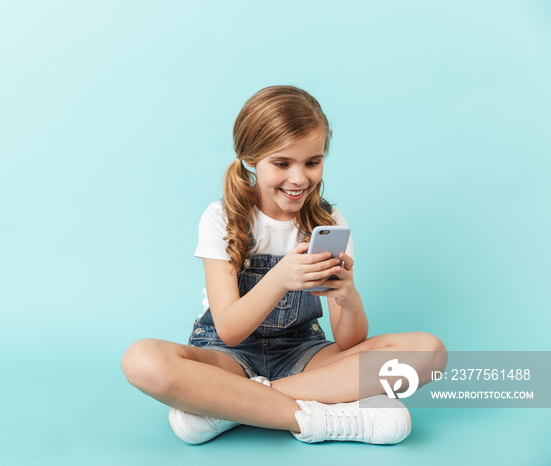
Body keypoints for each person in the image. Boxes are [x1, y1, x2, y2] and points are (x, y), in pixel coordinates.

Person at [121, 85, 446, 445]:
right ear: (250, 159)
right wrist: (279, 278)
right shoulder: (223, 219)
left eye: (312, 162)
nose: (299, 179)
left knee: (428, 352)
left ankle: (232, 405)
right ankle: (318, 417)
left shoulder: (330, 222)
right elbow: (229, 330)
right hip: (228, 355)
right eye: (281, 163)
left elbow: (349, 340)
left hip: (302, 352)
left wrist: (347, 296)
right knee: (142, 359)